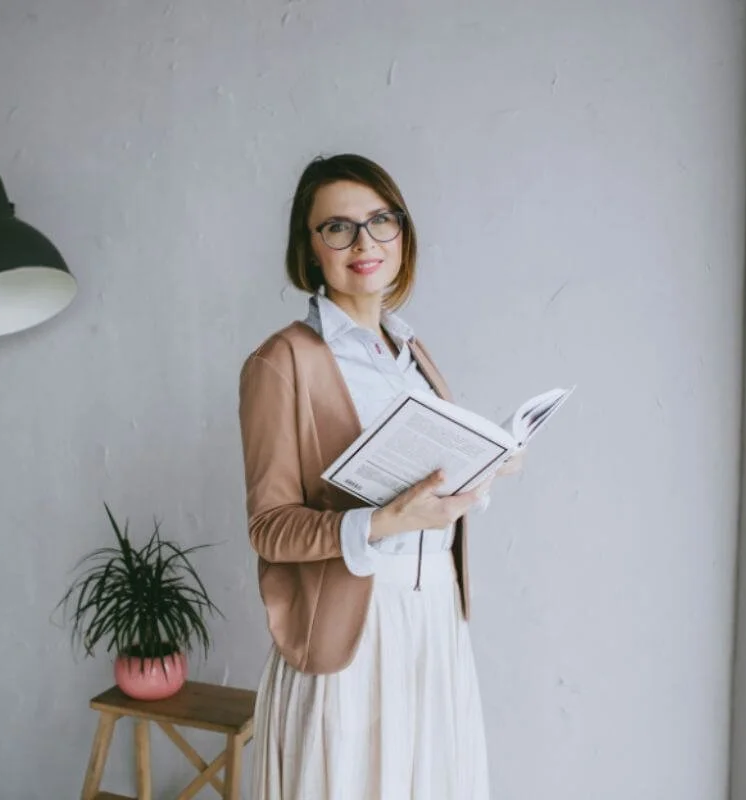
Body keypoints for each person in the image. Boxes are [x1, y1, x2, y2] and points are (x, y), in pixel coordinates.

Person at [237, 153, 522, 799]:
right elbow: (270, 528)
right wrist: (385, 521)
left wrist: (486, 465)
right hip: (355, 630)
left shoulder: (410, 352)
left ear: (402, 233)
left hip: (434, 623)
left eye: (380, 221)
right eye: (336, 227)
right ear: (309, 250)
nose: (363, 242)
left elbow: (428, 488)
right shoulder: (281, 362)